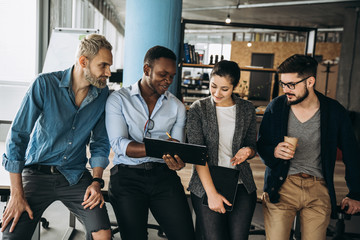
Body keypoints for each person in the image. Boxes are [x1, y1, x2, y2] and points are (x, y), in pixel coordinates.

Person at [1, 34, 113, 240]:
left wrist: (96, 181)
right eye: (103, 65)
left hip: (75, 176)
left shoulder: (102, 94)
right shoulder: (44, 85)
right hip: (36, 173)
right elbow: (18, 136)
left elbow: (100, 142)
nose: (108, 73)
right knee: (10, 235)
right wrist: (16, 194)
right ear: (83, 62)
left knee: (103, 235)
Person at [257, 54, 360, 240]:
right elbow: (262, 144)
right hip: (281, 187)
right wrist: (273, 151)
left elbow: (352, 153)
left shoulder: (334, 111)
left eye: (291, 84)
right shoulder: (276, 107)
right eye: (283, 84)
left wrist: (356, 192)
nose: (286, 90)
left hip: (318, 189)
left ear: (310, 81)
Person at [105, 45, 195, 240]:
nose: (168, 81)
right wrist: (161, 148)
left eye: (172, 75)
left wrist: (177, 161)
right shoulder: (119, 100)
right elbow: (121, 145)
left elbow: (176, 147)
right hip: (127, 177)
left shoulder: (177, 106)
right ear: (147, 70)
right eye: (163, 74)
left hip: (163, 177)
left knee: (186, 236)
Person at [187, 60, 258, 240]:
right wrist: (212, 195)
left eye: (224, 89)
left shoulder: (247, 109)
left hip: (241, 184)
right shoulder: (198, 109)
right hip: (206, 184)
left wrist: (248, 150)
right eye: (213, 86)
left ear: (234, 86)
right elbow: (197, 155)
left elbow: (252, 144)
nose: (217, 93)